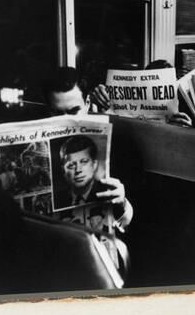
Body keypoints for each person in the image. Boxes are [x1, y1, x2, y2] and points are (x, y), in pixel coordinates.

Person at [43, 67, 134, 232]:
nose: (66, 121)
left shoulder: (119, 144)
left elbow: (138, 223)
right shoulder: (43, 147)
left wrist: (122, 204)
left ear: (87, 103)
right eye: (57, 114)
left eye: (73, 111)